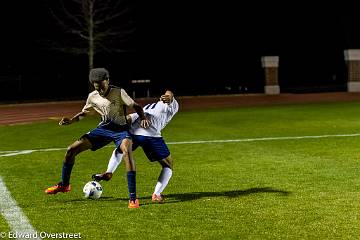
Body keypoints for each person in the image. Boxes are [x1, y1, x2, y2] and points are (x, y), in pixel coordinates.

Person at [45, 68, 150, 209]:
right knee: (71, 150)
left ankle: (133, 198)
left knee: (127, 152)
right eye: (97, 88)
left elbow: (136, 106)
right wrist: (71, 120)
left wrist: (143, 118)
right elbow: (84, 113)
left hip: (120, 131)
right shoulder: (92, 96)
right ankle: (64, 185)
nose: (100, 91)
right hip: (103, 130)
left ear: (107, 81)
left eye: (102, 87)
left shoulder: (119, 92)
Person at [92, 90, 179, 203]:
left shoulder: (170, 105)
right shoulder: (153, 106)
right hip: (151, 136)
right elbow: (131, 117)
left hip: (133, 133)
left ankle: (109, 171)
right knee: (168, 165)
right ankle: (156, 194)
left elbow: (169, 95)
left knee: (120, 150)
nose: (166, 96)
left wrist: (169, 97)